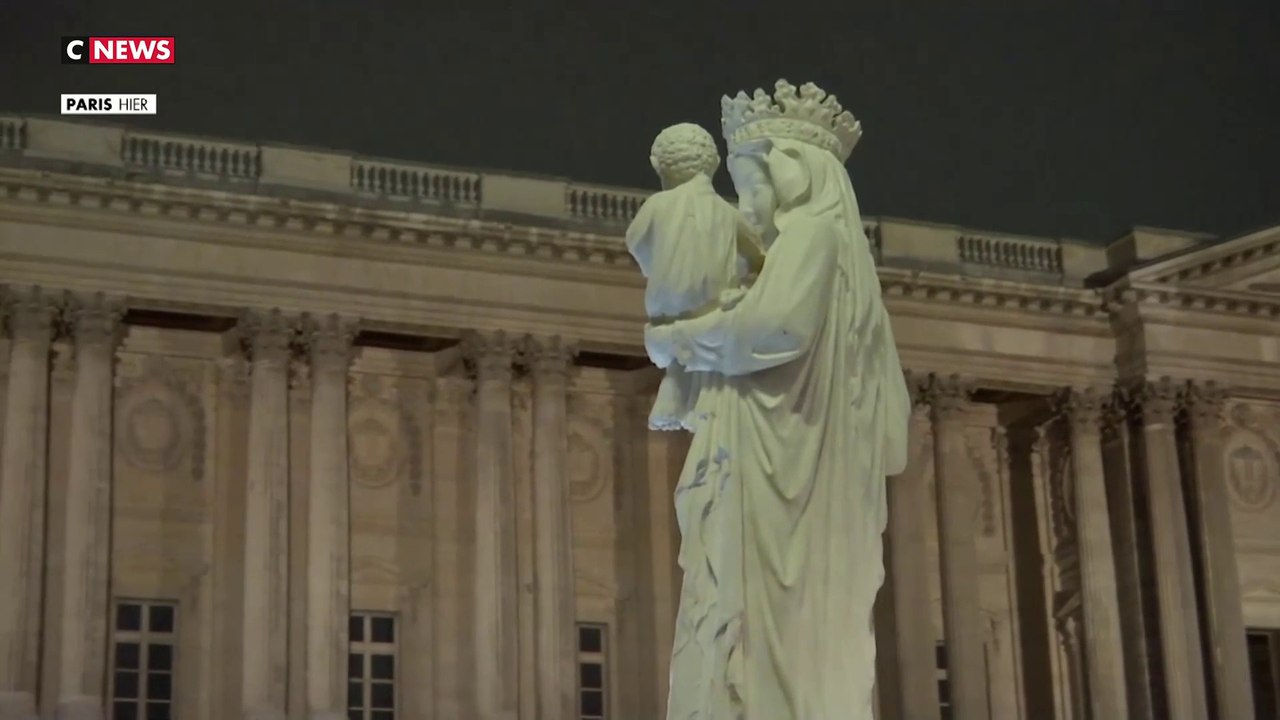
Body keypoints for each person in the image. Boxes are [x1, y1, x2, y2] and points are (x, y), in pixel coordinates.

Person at [645, 81, 911, 719]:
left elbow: (769, 333)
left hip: (786, 479)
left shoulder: (812, 240)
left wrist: (678, 337)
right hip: (773, 463)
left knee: (771, 618)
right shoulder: (809, 254)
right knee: (760, 620)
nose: (746, 205)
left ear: (794, 179)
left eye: (752, 187)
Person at [625, 122, 764, 432]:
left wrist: (657, 265)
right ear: (713, 164)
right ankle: (693, 401)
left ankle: (676, 392)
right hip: (711, 309)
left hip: (664, 310)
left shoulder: (656, 205)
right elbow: (758, 256)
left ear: (661, 167)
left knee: (682, 354)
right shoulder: (728, 213)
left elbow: (635, 241)